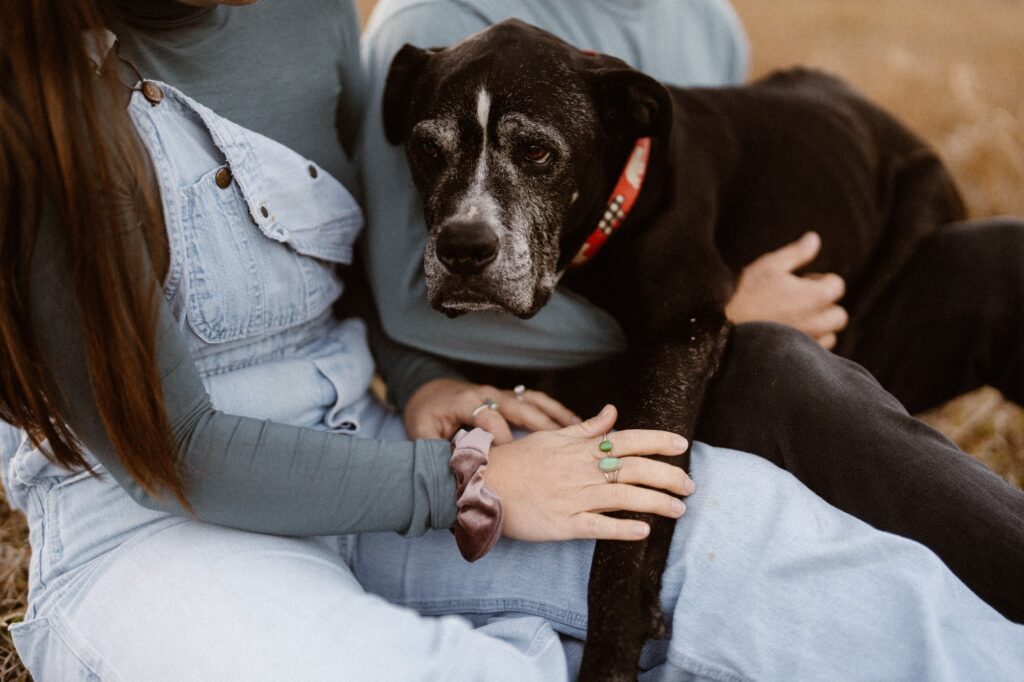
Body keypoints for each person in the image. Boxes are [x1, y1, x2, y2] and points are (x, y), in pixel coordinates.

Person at [1, 1, 1022, 680]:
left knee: (775, 550)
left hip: (378, 429)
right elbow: (171, 450)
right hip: (154, 521)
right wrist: (466, 487)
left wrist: (422, 381)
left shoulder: (297, 11)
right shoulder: (31, 107)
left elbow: (374, 253)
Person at [358, 0, 1024, 622]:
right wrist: (719, 311)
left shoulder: (704, 17)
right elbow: (406, 300)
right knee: (778, 366)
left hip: (762, 321)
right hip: (612, 386)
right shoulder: (435, 18)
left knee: (1008, 260)